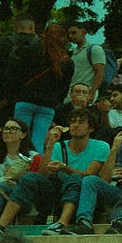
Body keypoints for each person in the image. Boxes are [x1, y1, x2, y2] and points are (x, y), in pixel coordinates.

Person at [13, 23, 74, 151]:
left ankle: (16, 168)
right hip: (47, 105)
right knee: (38, 143)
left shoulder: (30, 50)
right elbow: (63, 90)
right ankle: (35, 167)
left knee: (18, 139)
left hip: (26, 100)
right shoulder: (66, 61)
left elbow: (17, 74)